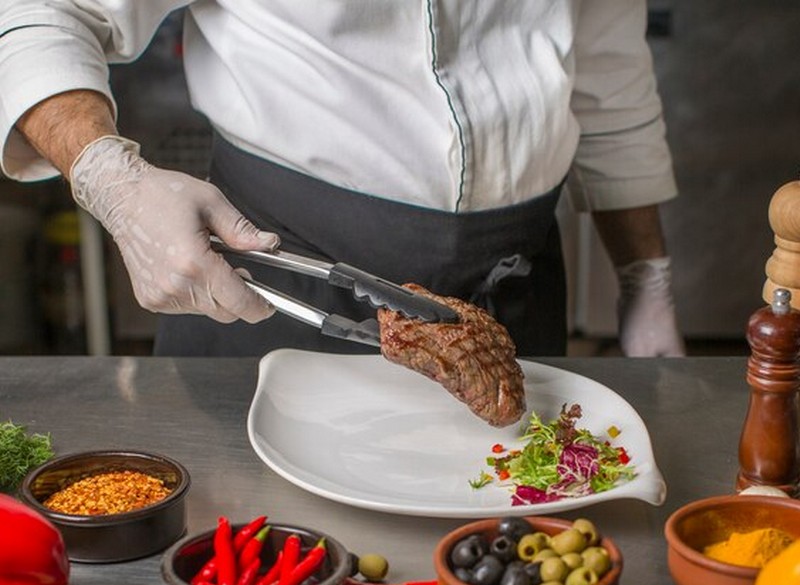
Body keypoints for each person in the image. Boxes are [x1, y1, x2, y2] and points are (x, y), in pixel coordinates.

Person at [0, 1, 685, 358]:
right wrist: (110, 181)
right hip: (273, 283)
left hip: (514, 298)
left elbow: (605, 68)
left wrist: (643, 277)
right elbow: (39, 11)